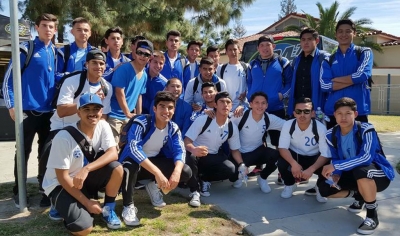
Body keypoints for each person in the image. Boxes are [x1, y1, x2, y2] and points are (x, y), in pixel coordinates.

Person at [38, 49, 113, 207]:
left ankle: (90, 188)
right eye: (94, 63)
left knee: (101, 155)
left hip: (89, 128)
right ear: (86, 64)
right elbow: (61, 110)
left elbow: (103, 115)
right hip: (64, 126)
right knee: (49, 151)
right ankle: (48, 193)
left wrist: (97, 132)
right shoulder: (73, 80)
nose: (98, 66)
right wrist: (85, 103)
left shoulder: (107, 87)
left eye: (101, 64)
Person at [42, 93, 124, 234]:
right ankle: (59, 203)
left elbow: (113, 153)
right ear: (78, 113)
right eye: (87, 109)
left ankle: (108, 209)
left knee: (117, 168)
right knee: (84, 229)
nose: (92, 113)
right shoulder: (63, 137)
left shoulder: (103, 125)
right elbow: (62, 177)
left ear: (101, 112)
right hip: (60, 184)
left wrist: (87, 169)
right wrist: (87, 203)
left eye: (96, 109)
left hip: (82, 177)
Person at [2, 13, 58, 208]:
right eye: (44, 25)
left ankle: (45, 191)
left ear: (55, 30)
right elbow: (8, 80)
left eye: (51, 26)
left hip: (49, 113)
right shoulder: (25, 49)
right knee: (22, 153)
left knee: (47, 153)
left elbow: (57, 79)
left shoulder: (56, 53)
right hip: (26, 112)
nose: (48, 29)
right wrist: (11, 106)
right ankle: (20, 191)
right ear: (36, 27)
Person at [320, 97, 394, 235]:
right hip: (353, 173)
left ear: (355, 114)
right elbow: (336, 157)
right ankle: (359, 197)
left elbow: (366, 157)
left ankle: (372, 215)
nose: (343, 117)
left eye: (348, 113)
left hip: (378, 173)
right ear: (334, 115)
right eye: (339, 113)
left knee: (362, 171)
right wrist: (336, 175)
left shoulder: (366, 129)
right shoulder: (331, 134)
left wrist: (336, 166)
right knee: (325, 188)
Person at [118, 91, 192, 226]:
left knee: (185, 171)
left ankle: (153, 186)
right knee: (130, 164)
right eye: (162, 106)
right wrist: (157, 173)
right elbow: (134, 149)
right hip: (131, 164)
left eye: (170, 108)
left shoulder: (173, 127)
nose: (166, 111)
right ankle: (128, 206)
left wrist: (176, 172)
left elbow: (180, 151)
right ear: (154, 108)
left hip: (152, 164)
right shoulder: (141, 122)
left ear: (174, 110)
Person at [184, 92, 243, 207]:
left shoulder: (232, 127)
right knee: (190, 157)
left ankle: (205, 179)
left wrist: (242, 164)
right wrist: (194, 149)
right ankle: (195, 191)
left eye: (228, 102)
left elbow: (235, 150)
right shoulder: (203, 120)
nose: (225, 105)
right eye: (221, 102)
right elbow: (187, 141)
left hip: (213, 156)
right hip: (196, 154)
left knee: (231, 170)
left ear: (231, 106)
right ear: (215, 105)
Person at [320, 19, 373, 129]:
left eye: (348, 31)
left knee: (358, 145)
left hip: (358, 111)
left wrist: (335, 79)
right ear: (336, 34)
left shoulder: (364, 52)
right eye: (340, 31)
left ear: (354, 33)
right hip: (333, 112)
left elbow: (362, 75)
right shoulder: (328, 59)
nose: (344, 34)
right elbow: (324, 85)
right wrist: (353, 81)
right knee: (334, 145)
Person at [277, 97, 331, 201]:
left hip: (314, 158)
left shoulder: (320, 128)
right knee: (281, 161)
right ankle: (290, 185)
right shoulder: (288, 125)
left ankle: (319, 187)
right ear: (294, 113)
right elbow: (282, 148)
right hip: (296, 156)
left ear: (313, 113)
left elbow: (325, 154)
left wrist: (311, 169)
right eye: (299, 111)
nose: (302, 115)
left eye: (306, 111)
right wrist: (293, 164)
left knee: (329, 164)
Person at [230, 92, 285, 191]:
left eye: (263, 103)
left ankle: (262, 178)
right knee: (231, 176)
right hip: (240, 154)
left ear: (267, 105)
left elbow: (288, 126)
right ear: (250, 104)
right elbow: (224, 125)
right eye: (257, 102)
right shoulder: (240, 115)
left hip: (258, 152)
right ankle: (239, 174)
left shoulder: (269, 118)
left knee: (278, 155)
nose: (260, 106)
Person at [247, 35, 293, 149]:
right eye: (262, 45)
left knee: (278, 141)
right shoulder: (252, 64)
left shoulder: (283, 62)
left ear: (273, 46)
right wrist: (249, 96)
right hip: (256, 109)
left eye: (268, 45)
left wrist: (281, 95)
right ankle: (258, 165)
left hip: (275, 107)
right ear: (258, 48)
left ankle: (281, 163)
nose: (265, 48)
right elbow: (248, 82)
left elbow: (290, 83)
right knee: (256, 139)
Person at [107, 40, 152, 143]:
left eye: (146, 54)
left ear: (150, 57)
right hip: (114, 117)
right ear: (135, 53)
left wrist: (139, 116)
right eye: (140, 52)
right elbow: (119, 92)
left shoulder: (144, 75)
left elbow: (139, 96)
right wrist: (127, 112)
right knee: (113, 149)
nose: (142, 56)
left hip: (129, 118)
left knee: (125, 149)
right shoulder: (124, 69)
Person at [287, 28, 330, 116]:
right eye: (303, 40)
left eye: (309, 39)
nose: (306, 42)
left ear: (317, 41)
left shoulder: (324, 58)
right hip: (298, 108)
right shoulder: (296, 60)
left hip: (317, 107)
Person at [55, 17, 96, 81]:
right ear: (72, 32)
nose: (83, 33)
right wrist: (71, 76)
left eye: (86, 30)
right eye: (79, 30)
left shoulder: (95, 52)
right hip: (68, 89)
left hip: (90, 89)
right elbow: (55, 74)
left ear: (90, 33)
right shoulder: (63, 51)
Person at [220, 39, 248, 111]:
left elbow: (251, 83)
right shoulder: (221, 68)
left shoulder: (246, 67)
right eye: (230, 50)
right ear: (226, 51)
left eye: (235, 49)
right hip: (227, 108)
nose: (233, 52)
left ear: (239, 50)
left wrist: (246, 92)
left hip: (243, 107)